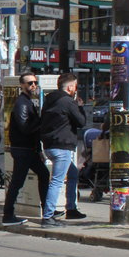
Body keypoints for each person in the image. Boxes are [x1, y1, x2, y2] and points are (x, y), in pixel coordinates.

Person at [1, 72, 51, 226]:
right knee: (17, 182)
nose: (33, 85)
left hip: (28, 149)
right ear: (22, 85)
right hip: (23, 149)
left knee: (43, 174)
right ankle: (8, 215)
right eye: (30, 83)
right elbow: (24, 127)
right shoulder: (22, 102)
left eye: (35, 83)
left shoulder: (27, 101)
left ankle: (47, 209)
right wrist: (41, 123)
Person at [38, 72, 88, 226]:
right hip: (62, 146)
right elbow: (81, 122)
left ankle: (71, 209)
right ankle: (48, 216)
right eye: (75, 86)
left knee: (73, 174)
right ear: (70, 86)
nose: (76, 89)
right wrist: (80, 107)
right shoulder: (68, 102)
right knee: (57, 181)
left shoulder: (49, 100)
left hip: (50, 145)